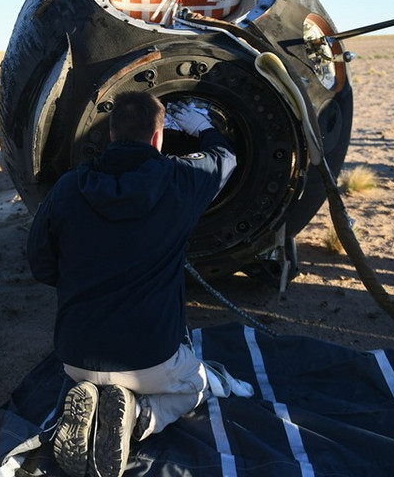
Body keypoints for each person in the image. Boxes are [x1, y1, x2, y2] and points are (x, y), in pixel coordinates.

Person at [27, 92, 238, 477]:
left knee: (100, 369)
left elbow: (41, 266)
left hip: (75, 357)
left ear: (109, 135)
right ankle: (140, 417)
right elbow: (226, 159)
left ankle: (95, 402)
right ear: (159, 138)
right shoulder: (183, 180)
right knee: (196, 387)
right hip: (152, 359)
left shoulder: (68, 188)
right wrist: (202, 129)